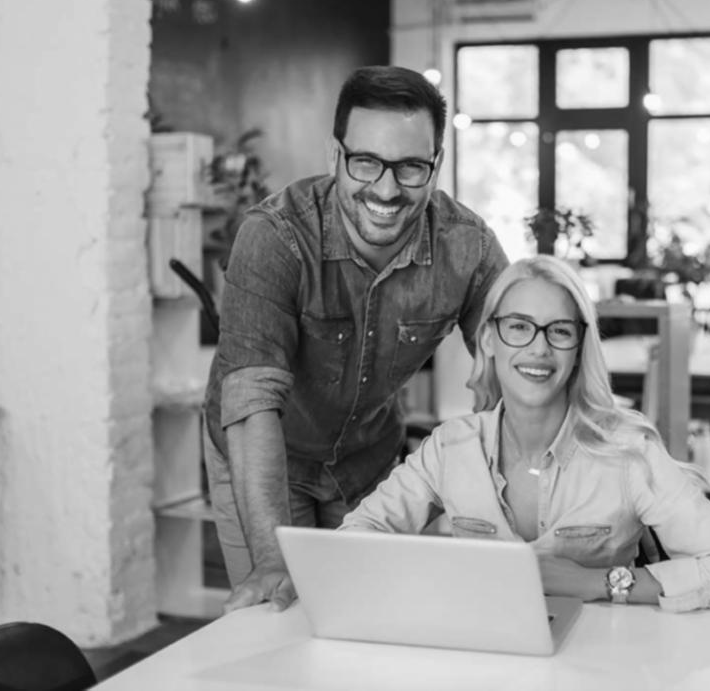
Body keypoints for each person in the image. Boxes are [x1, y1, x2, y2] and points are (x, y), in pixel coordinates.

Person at [203, 65, 510, 613]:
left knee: (371, 619)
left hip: (369, 460)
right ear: (335, 156)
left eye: (412, 167)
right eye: (366, 162)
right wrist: (275, 558)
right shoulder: (275, 237)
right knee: (285, 620)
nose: (386, 190)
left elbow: (515, 362)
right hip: (269, 458)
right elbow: (250, 404)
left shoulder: (467, 247)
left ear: (436, 166)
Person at [341, 256, 710, 611]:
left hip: (598, 667)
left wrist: (599, 582)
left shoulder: (628, 454)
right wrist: (445, 573)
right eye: (519, 326)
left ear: (580, 348)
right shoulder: (450, 448)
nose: (539, 348)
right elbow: (354, 541)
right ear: (489, 339)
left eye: (559, 331)